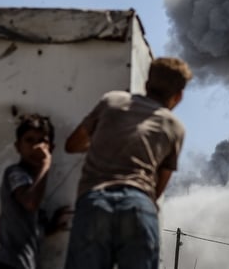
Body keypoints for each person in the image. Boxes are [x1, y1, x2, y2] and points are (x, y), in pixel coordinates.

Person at [64, 57, 192, 269]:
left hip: (95, 202)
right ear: (178, 96)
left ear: (146, 83)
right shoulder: (174, 126)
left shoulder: (112, 101)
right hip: (138, 207)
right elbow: (158, 188)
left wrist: (100, 144)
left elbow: (72, 144)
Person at [0, 114, 68, 269]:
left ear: (51, 148)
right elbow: (30, 203)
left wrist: (48, 227)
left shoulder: (33, 183)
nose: (35, 147)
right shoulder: (16, 173)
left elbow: (1, 227)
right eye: (29, 140)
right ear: (18, 146)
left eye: (42, 141)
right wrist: (46, 164)